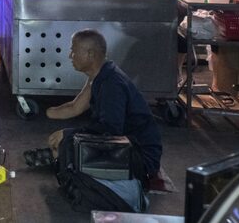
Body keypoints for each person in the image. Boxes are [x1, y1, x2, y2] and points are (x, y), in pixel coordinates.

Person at [36, 30, 163, 184]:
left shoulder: (112, 85)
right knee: (67, 145)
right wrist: (43, 112)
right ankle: (60, 158)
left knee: (68, 147)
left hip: (140, 158)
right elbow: (75, 107)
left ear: (90, 54)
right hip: (126, 148)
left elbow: (110, 130)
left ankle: (61, 159)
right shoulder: (99, 75)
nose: (70, 56)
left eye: (74, 51)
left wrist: (67, 134)